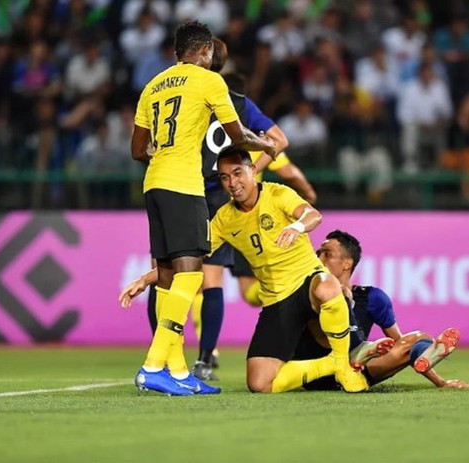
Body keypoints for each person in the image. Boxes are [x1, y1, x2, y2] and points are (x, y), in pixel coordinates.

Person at [122, 146, 367, 393]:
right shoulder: (224, 219)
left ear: (252, 170)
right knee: (260, 384)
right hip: (275, 299)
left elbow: (312, 215)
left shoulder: (277, 193)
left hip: (307, 282)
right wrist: (146, 279)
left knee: (327, 285)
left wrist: (297, 227)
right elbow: (191, 262)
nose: (232, 182)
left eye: (238, 173)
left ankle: (343, 366)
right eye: (225, 177)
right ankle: (334, 364)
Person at [143, 38, 316, 382]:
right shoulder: (233, 100)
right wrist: (251, 169)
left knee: (164, 275)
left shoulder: (173, 94)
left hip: (176, 187)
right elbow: (279, 139)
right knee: (211, 280)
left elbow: (145, 145)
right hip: (219, 198)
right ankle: (204, 358)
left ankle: (164, 355)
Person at [131, 21, 276, 396]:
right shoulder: (209, 80)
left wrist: (162, 152)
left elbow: (136, 150)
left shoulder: (153, 86)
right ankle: (153, 365)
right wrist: (267, 147)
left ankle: (176, 371)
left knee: (165, 273)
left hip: (154, 184)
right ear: (206, 53)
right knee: (192, 273)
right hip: (184, 184)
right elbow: (236, 134)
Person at [295, 230, 469, 390]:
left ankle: (424, 351)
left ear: (346, 264)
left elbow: (400, 344)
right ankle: (353, 353)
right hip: (312, 371)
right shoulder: (306, 291)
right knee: (336, 298)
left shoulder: (373, 298)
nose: (319, 259)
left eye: (327, 254)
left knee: (417, 339)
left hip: (355, 373)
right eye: (318, 253)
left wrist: (441, 382)